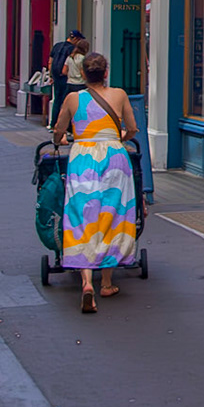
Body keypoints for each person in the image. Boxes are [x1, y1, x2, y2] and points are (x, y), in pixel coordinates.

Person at [52, 51, 139, 313]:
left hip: (83, 159)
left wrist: (62, 140)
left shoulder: (72, 98)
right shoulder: (120, 94)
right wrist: (119, 138)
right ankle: (107, 282)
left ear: (83, 74)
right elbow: (133, 128)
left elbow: (58, 130)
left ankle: (87, 281)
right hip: (114, 157)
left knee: (83, 215)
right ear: (105, 73)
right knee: (112, 214)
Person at [50, 29, 87, 120]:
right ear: (76, 39)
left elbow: (50, 62)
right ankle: (66, 124)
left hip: (56, 77)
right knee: (67, 102)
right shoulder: (72, 50)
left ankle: (53, 122)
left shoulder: (57, 46)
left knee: (57, 100)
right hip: (68, 80)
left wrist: (51, 75)